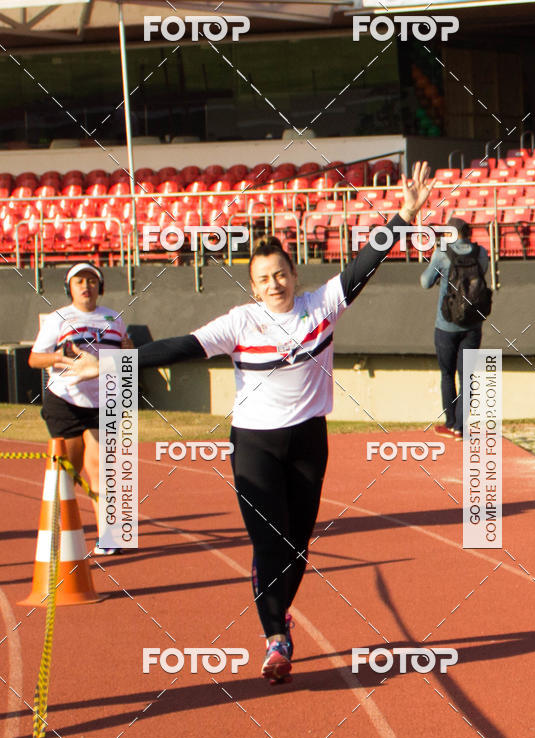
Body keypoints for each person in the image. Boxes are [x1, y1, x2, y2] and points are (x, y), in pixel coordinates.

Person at [66, 162, 434, 683]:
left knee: (298, 543)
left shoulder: (322, 306)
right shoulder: (241, 322)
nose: (274, 283)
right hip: (255, 444)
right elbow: (180, 348)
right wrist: (108, 363)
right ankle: (276, 638)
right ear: (253, 287)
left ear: (294, 275)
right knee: (268, 540)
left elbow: (363, 265)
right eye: (263, 279)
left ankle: (279, 609)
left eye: (281, 273)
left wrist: (404, 215)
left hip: (309, 439)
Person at [29, 261, 133, 555]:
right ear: (69, 287)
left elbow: (126, 361)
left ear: (99, 287)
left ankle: (108, 538)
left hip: (104, 401)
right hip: (66, 401)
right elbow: (35, 359)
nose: (85, 286)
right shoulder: (59, 318)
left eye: (91, 281)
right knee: (68, 471)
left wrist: (128, 353)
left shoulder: (114, 318)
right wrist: (61, 361)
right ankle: (59, 534)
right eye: (79, 281)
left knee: (102, 468)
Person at [420, 217, 489, 440]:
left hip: (446, 324)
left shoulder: (442, 254)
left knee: (447, 373)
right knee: (466, 376)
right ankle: (461, 427)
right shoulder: (481, 253)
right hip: (473, 323)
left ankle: (450, 424)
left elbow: (425, 282)